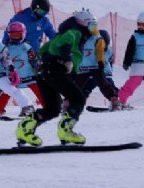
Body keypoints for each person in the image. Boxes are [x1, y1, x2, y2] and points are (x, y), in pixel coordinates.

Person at [15, 9, 96, 146]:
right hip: (54, 70)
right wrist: (67, 60)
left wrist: (46, 63)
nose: (94, 30)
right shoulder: (75, 32)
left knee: (52, 109)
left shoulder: (62, 34)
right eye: (93, 26)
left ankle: (24, 130)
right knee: (78, 99)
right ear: (84, 23)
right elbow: (64, 44)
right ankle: (66, 131)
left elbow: (43, 49)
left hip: (44, 73)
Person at [0, 0, 56, 111]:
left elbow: (52, 35)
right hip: (15, 53)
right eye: (40, 12)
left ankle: (50, 103)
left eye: (44, 13)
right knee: (6, 77)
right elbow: (7, 34)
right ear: (34, 8)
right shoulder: (20, 18)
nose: (42, 15)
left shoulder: (44, 21)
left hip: (32, 55)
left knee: (39, 78)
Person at [0, 22, 44, 120]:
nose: (15, 38)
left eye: (18, 35)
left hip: (28, 76)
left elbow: (34, 60)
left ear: (23, 34)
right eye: (13, 35)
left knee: (40, 92)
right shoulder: (6, 48)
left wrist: (39, 70)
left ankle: (49, 108)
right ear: (9, 35)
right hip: (14, 78)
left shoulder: (26, 47)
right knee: (6, 93)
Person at [74, 27, 125, 110]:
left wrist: (108, 72)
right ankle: (78, 105)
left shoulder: (109, 50)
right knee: (84, 89)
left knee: (110, 88)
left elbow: (110, 62)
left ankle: (119, 103)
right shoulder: (92, 47)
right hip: (91, 73)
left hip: (104, 74)